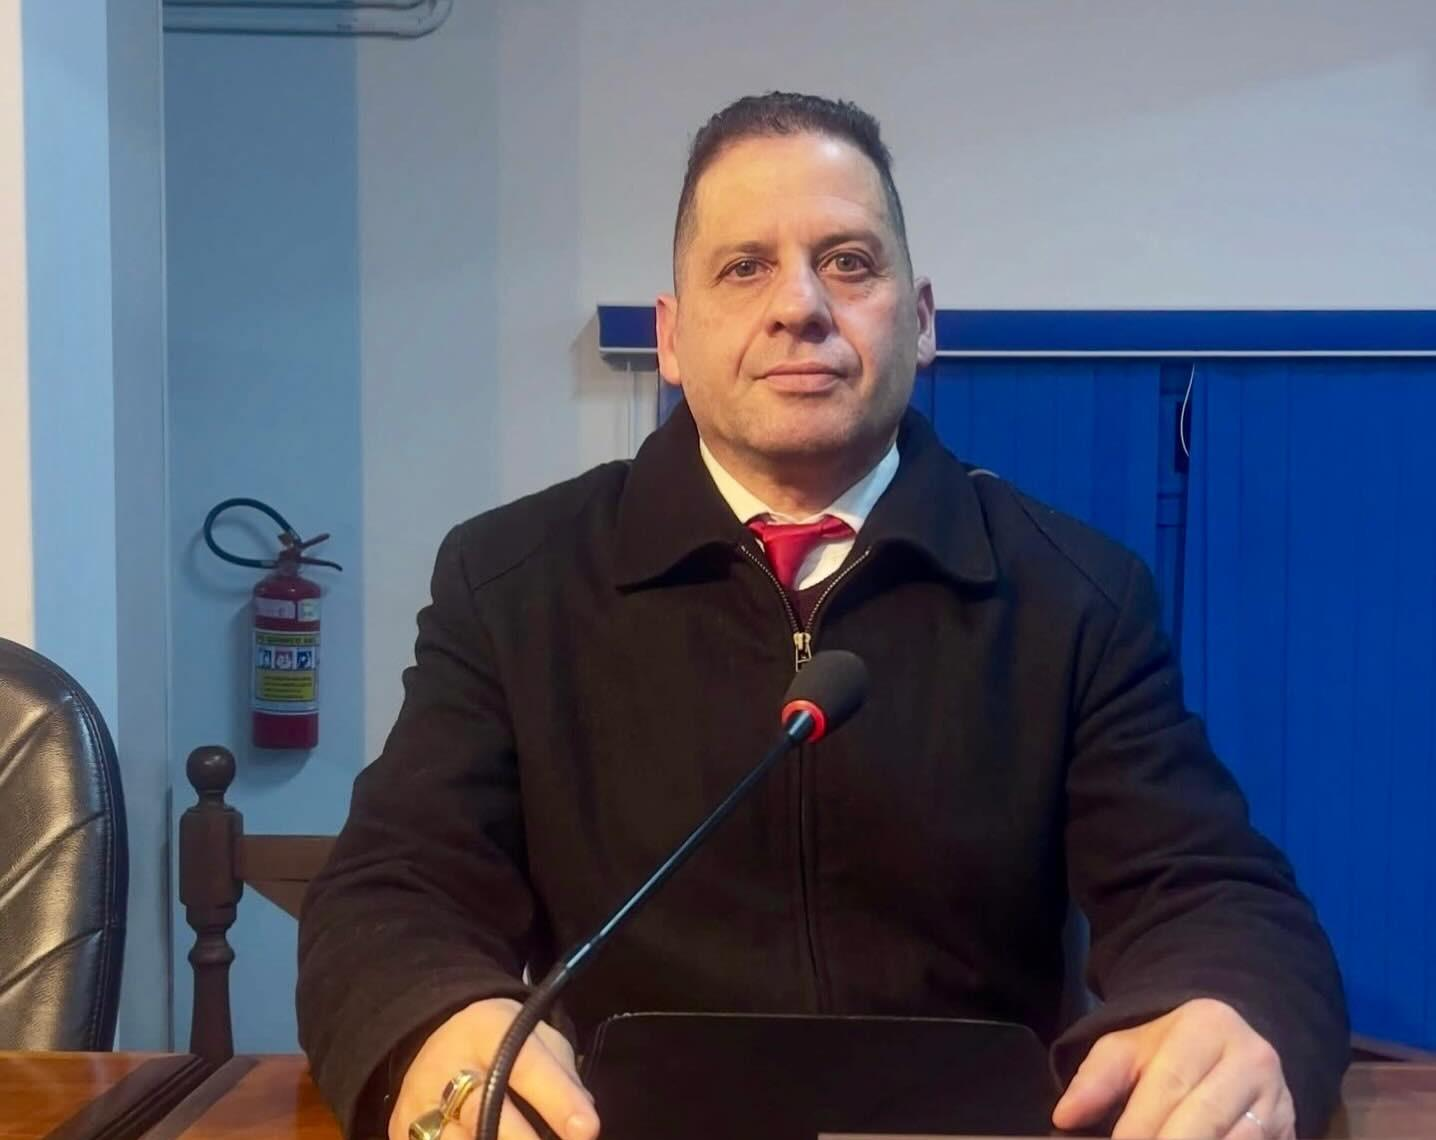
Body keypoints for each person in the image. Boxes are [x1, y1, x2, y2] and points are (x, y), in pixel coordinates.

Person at [297, 92, 1348, 1140]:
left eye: (847, 262)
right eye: (743, 267)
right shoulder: (510, 583)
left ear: (921, 321)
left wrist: (1231, 1008)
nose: (798, 305)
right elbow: (397, 891)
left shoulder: (1075, 593)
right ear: (670, 337)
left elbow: (1210, 895)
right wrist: (432, 1024)